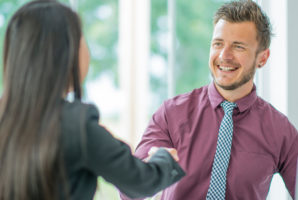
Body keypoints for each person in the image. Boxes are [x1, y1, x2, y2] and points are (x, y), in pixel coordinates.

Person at [0, 1, 185, 200]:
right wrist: (164, 159)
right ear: (65, 54)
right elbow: (140, 182)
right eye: (82, 40)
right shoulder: (76, 126)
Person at [120, 0, 298, 200]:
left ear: (262, 58)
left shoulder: (281, 131)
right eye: (218, 44)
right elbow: (129, 190)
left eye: (238, 47)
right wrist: (148, 172)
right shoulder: (171, 114)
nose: (224, 55)